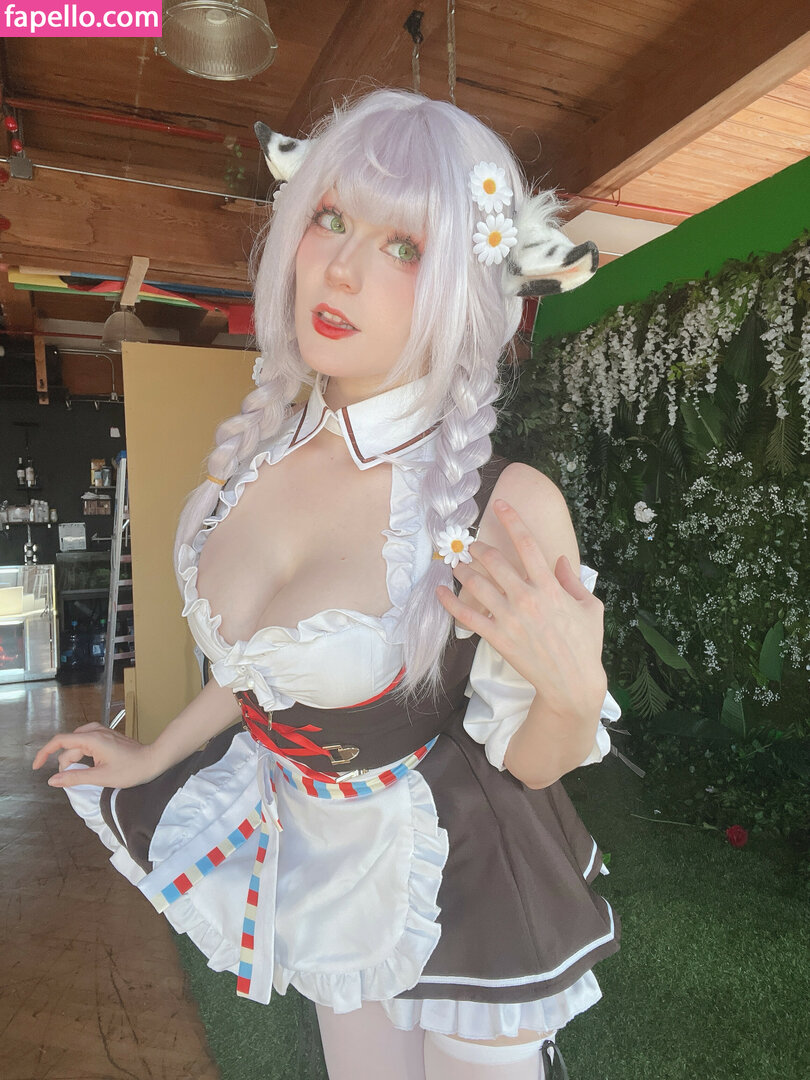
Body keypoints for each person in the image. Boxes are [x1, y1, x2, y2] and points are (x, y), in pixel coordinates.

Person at [33, 89, 622, 1080]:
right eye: (332, 218)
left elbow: (530, 761)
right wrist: (155, 752)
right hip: (316, 845)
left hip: (462, 861)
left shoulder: (504, 505)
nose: (341, 268)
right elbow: (262, 673)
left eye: (406, 246)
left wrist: (572, 693)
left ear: (464, 287)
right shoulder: (249, 465)